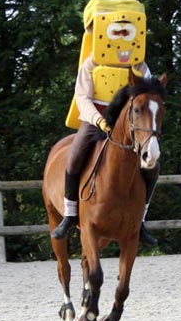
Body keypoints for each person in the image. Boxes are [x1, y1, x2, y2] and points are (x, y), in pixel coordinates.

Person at [50, 53, 160, 245]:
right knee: (74, 157)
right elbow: (82, 99)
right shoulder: (90, 63)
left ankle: (140, 220)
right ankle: (70, 214)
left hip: (128, 123)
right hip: (96, 119)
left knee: (153, 166)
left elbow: (148, 95)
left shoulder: (140, 65)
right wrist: (99, 120)